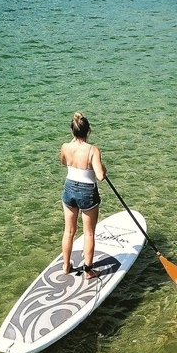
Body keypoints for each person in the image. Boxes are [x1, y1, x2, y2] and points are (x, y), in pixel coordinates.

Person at [60, 112, 106, 279]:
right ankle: (88, 271)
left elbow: (64, 162)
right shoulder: (93, 150)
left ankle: (66, 266)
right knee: (89, 233)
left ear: (73, 132)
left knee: (69, 231)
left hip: (69, 188)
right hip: (87, 192)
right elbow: (100, 176)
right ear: (88, 131)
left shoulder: (65, 147)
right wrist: (102, 166)